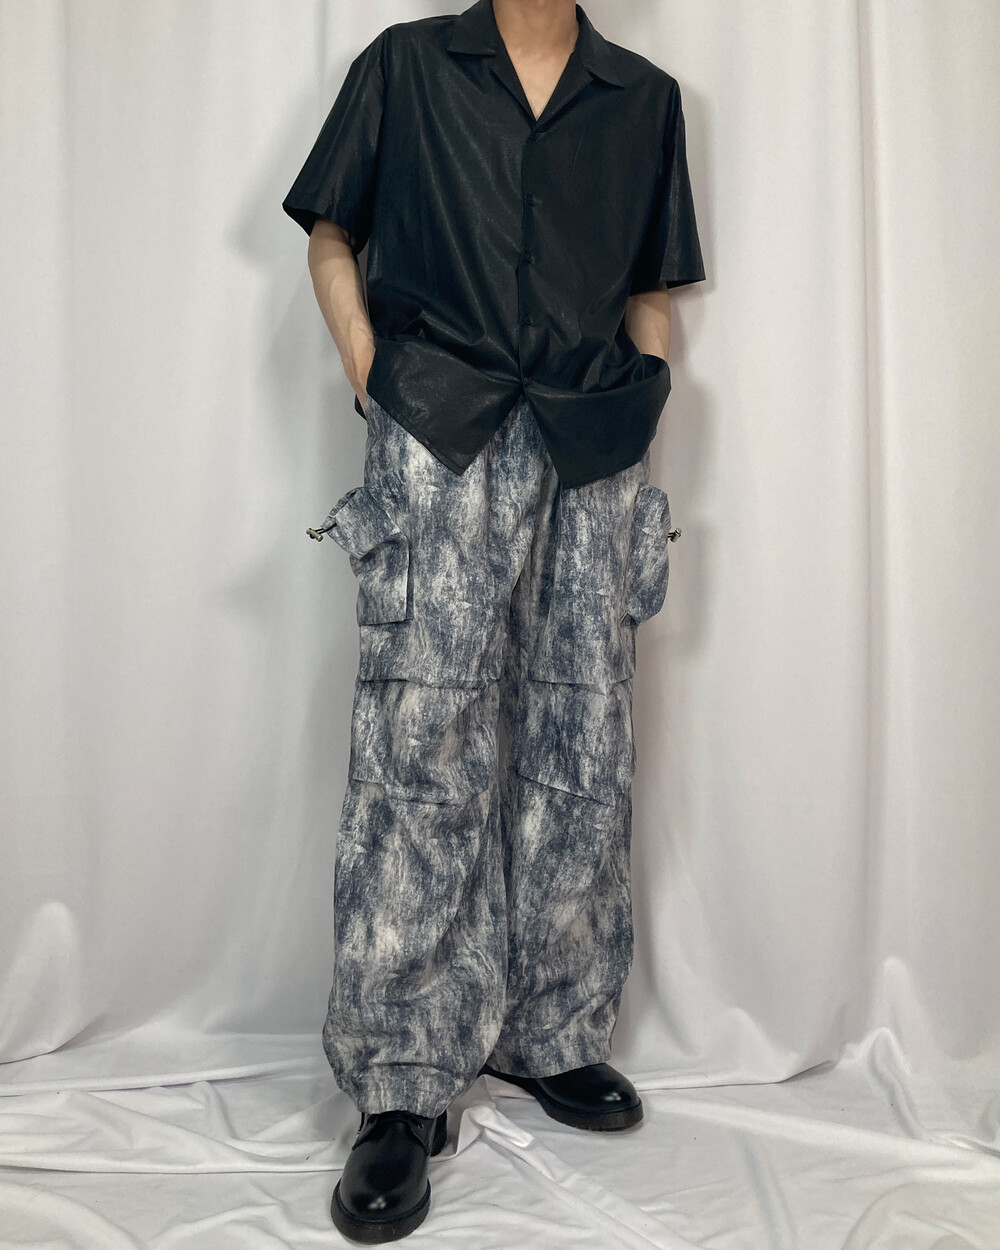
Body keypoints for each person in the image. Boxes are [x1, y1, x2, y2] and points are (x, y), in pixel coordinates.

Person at [283, 0, 706, 1240]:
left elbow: (649, 284)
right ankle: (399, 1082)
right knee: (419, 751)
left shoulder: (642, 99)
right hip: (439, 427)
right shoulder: (406, 67)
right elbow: (329, 231)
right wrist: (372, 369)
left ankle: (549, 1028)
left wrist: (647, 394)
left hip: (595, 444)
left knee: (583, 747)